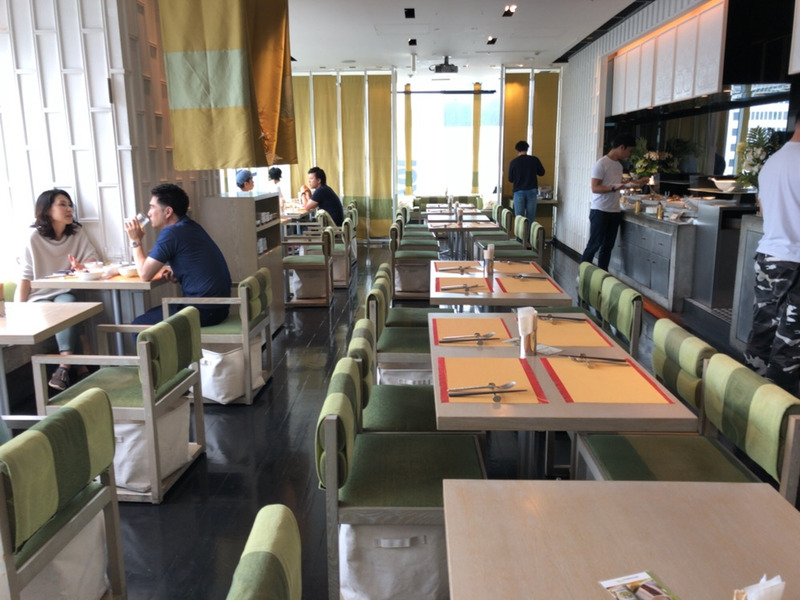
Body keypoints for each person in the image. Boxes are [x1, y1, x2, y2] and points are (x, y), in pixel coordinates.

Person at [16, 189, 99, 390]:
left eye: (70, 205)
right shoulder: (33, 237)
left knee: (68, 303)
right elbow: (25, 277)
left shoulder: (76, 233)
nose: (69, 209)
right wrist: (17, 309)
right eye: (63, 204)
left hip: (64, 292)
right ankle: (80, 368)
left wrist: (81, 265)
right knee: (61, 313)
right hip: (38, 296)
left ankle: (64, 366)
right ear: (47, 210)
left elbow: (93, 258)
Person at [744, 118, 800, 395]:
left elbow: (765, 211)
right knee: (791, 344)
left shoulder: (772, 162)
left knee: (763, 331)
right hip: (796, 261)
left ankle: (748, 397)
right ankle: (779, 409)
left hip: (770, 257)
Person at [125, 183, 232, 327]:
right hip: (218, 307)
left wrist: (135, 241)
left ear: (168, 212)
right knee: (151, 317)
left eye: (152, 207)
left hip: (202, 310)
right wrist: (180, 272)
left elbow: (144, 274)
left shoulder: (171, 233)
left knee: (139, 326)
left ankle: (179, 343)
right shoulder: (190, 226)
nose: (148, 213)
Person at [580, 133, 648, 270]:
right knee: (594, 245)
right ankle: (582, 274)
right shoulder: (601, 164)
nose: (629, 154)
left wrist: (636, 182)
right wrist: (613, 188)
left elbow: (618, 183)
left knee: (608, 247)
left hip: (614, 211)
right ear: (622, 147)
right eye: (629, 150)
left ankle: (602, 275)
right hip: (600, 211)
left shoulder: (618, 166)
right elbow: (595, 188)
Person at [508, 140, 546, 221]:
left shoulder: (513, 162)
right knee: (530, 217)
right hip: (532, 191)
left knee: (519, 219)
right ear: (527, 149)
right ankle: (530, 229)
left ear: (517, 150)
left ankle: (520, 230)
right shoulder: (534, 160)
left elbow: (510, 179)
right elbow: (542, 172)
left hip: (518, 191)